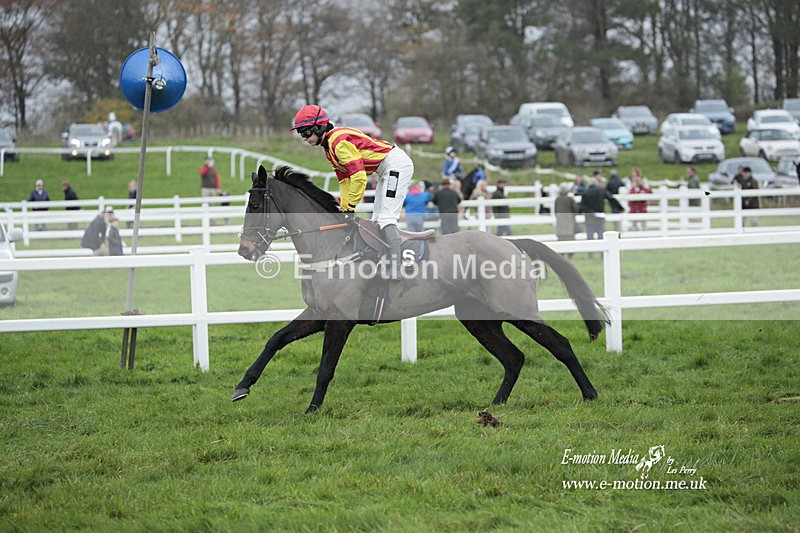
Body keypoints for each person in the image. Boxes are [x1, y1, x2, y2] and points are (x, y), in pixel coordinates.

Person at [291, 104, 414, 280]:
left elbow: (359, 177)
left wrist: (350, 207)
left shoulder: (338, 143)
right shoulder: (329, 148)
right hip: (384, 168)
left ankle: (396, 266)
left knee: (386, 218)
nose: (304, 138)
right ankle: (383, 260)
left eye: (306, 132)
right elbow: (345, 181)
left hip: (396, 165)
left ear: (319, 127)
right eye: (301, 133)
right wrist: (344, 206)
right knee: (377, 220)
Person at [580, 172, 625, 258]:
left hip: (589, 218)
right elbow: (611, 199)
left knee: (590, 237)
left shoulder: (586, 193)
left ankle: (590, 255)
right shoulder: (601, 191)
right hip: (600, 218)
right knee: (601, 236)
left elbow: (582, 206)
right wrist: (620, 208)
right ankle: (602, 254)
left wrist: (592, 212)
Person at [554, 183, 581, 259]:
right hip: (569, 221)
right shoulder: (570, 199)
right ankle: (570, 254)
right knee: (569, 237)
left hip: (560, 221)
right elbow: (576, 209)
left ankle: (561, 253)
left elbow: (555, 211)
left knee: (561, 237)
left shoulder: (557, 199)